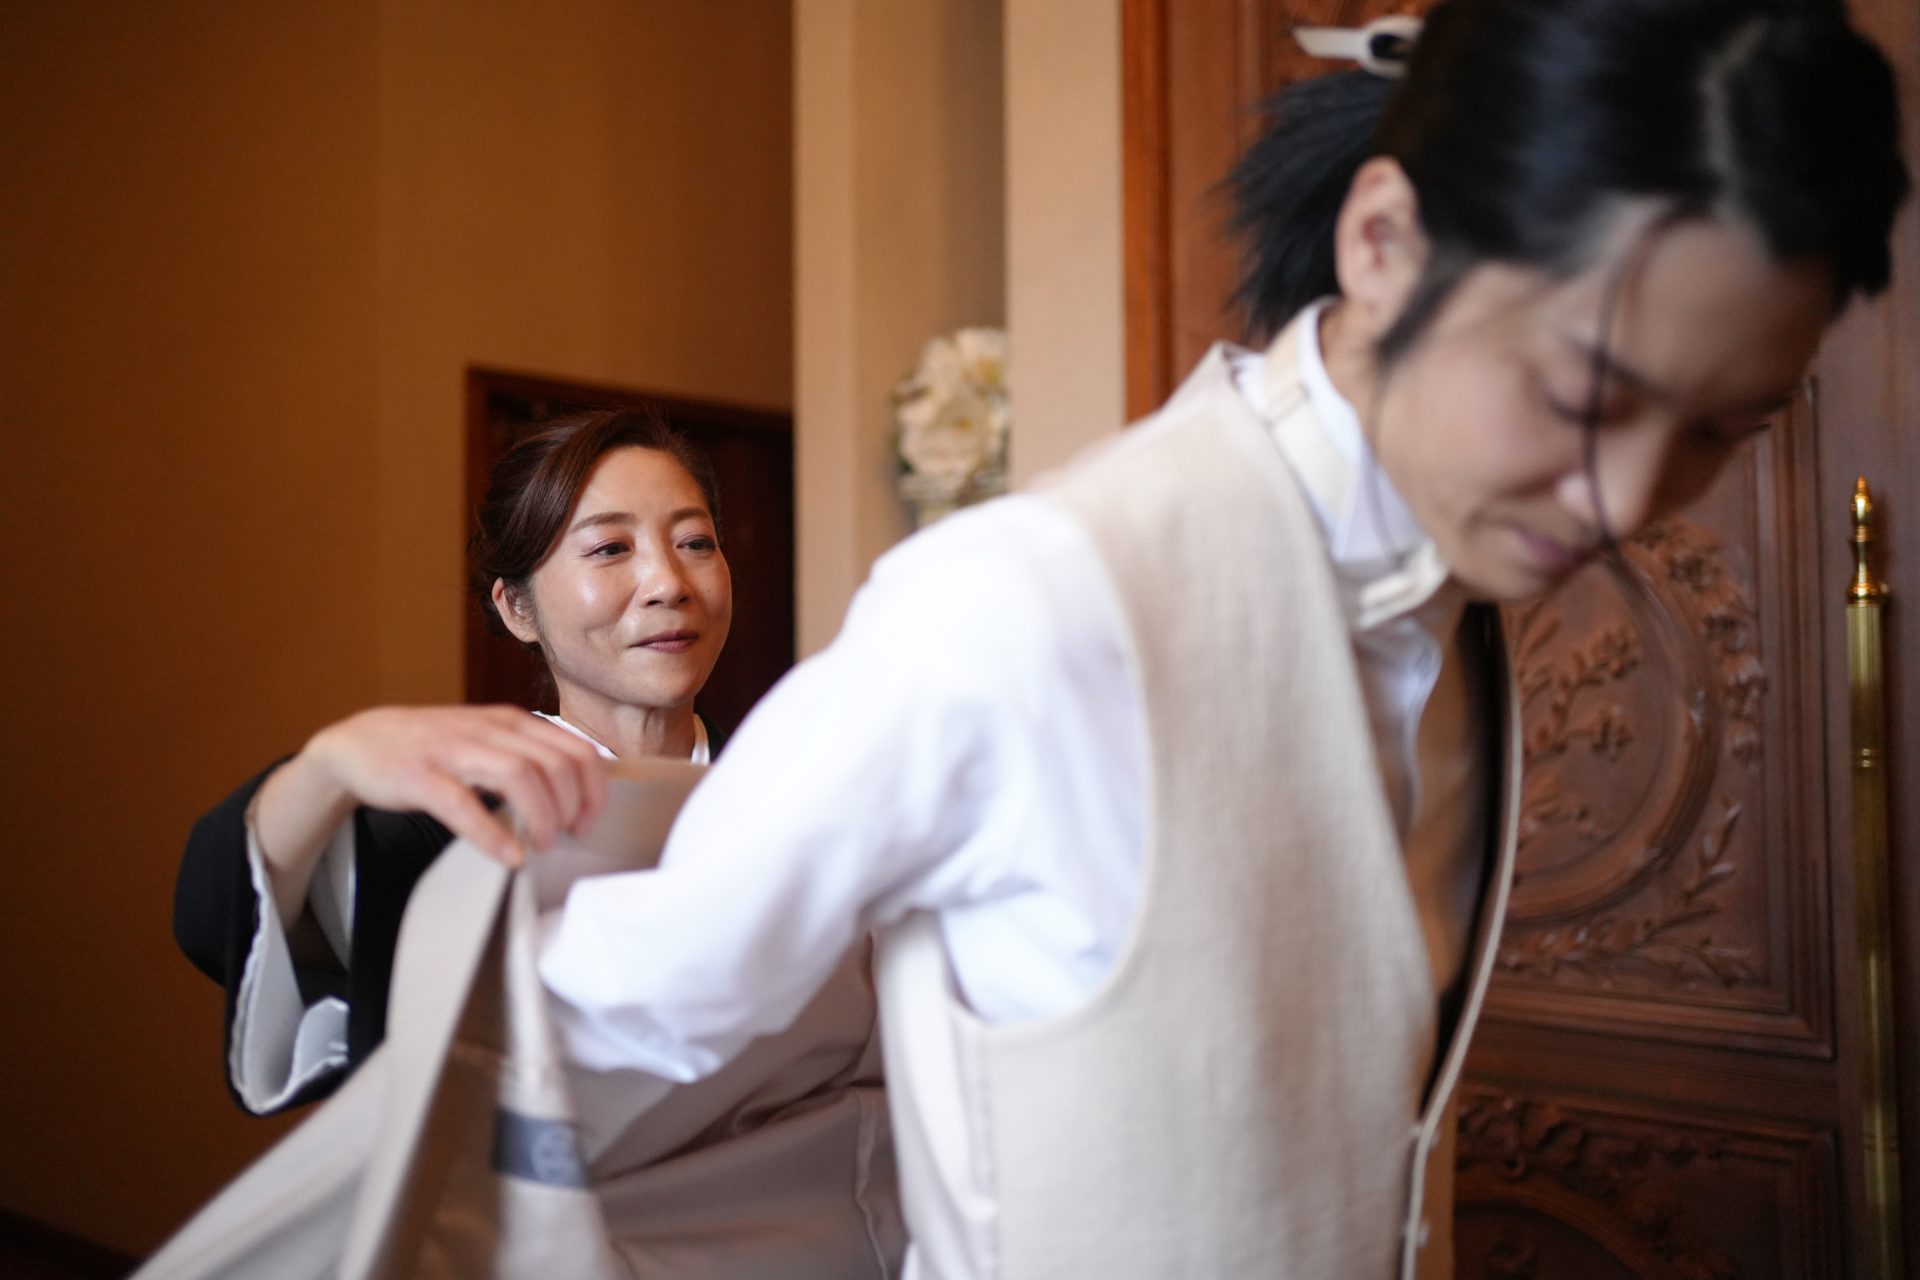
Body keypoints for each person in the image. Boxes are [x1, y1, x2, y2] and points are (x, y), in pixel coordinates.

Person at [535, 2, 1909, 1278]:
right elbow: (608, 1023)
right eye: (1580, 393)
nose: (1627, 499)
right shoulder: (1028, 606)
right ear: (1385, 243)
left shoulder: (1455, 598)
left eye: (1717, 431)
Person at [172, 408, 904, 1277]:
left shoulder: (797, 790)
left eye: (695, 543)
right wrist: (328, 767)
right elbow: (216, 917)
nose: (667, 582)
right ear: (516, 607)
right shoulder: (462, 817)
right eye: (610, 549)